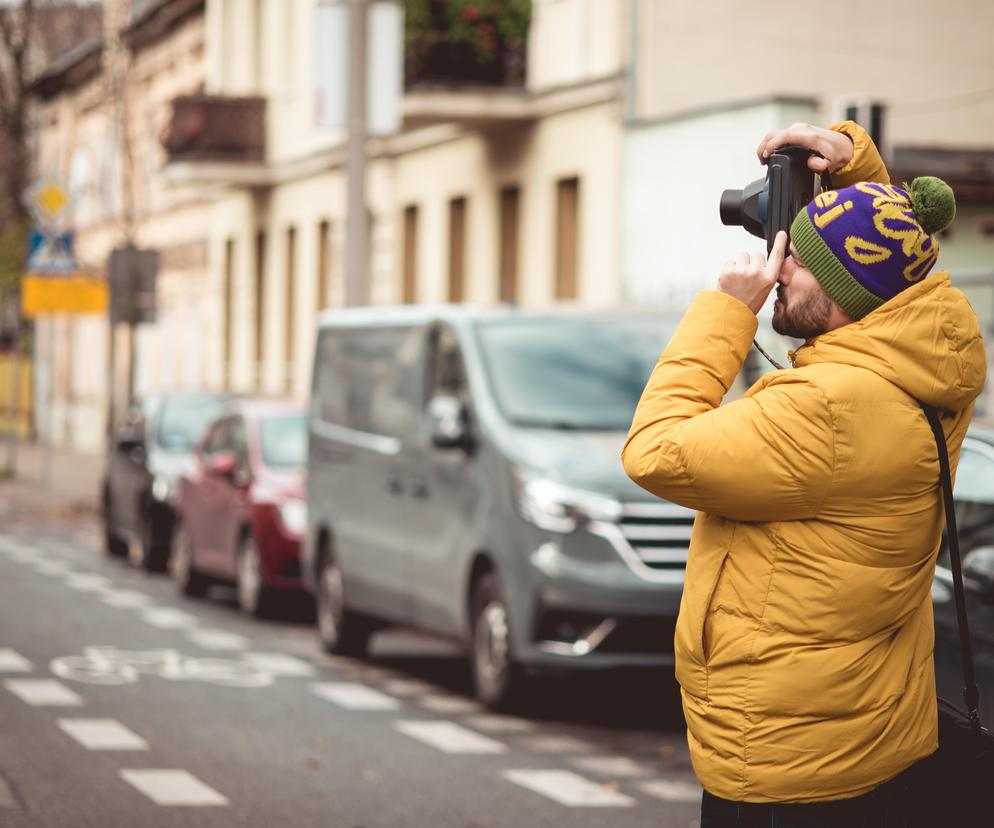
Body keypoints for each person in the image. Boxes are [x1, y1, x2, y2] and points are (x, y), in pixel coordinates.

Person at [621, 122, 987, 827]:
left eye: (800, 261)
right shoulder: (930, 362)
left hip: (787, 765)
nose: (777, 263)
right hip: (865, 732)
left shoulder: (826, 408)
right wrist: (857, 167)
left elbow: (655, 449)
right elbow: (888, 257)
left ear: (851, 297)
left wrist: (727, 312)